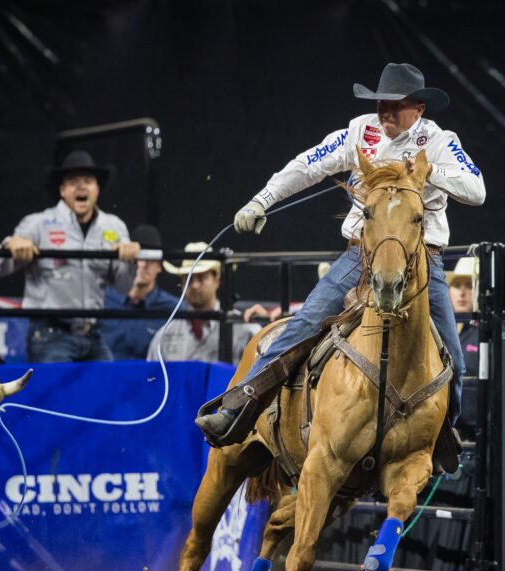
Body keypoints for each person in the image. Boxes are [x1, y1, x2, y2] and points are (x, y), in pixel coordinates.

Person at [196, 62, 485, 447]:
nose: (384, 112)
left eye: (395, 105)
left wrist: (429, 172)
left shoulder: (438, 141)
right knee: (305, 322)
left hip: (421, 260)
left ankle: (440, 439)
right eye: (381, 103)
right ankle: (239, 406)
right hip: (361, 254)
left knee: (455, 356)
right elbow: (309, 164)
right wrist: (260, 201)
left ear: (419, 108)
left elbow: (476, 189)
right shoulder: (360, 131)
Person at [0, 150, 140, 362]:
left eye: (88, 180)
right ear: (62, 190)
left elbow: (123, 288)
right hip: (50, 334)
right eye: (73, 181)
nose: (81, 186)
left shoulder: (114, 226)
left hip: (93, 333)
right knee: (57, 394)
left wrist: (131, 262)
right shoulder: (39, 223)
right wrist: (11, 245)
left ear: (97, 189)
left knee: (107, 390)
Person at [146, 243, 259, 362]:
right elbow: (151, 377)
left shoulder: (244, 330)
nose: (195, 285)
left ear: (217, 281)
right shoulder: (164, 336)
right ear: (182, 284)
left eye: (201, 277)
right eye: (189, 278)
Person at [100, 224, 184, 360]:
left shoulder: (175, 310)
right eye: (138, 257)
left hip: (153, 380)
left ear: (159, 266)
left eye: (150, 259)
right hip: (108, 379)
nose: (143, 264)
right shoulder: (102, 301)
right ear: (128, 261)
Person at [448, 256, 479, 441]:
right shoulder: (440, 331)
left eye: (469, 285)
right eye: (456, 285)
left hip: (474, 437)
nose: (462, 292)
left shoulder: (485, 333)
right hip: (445, 436)